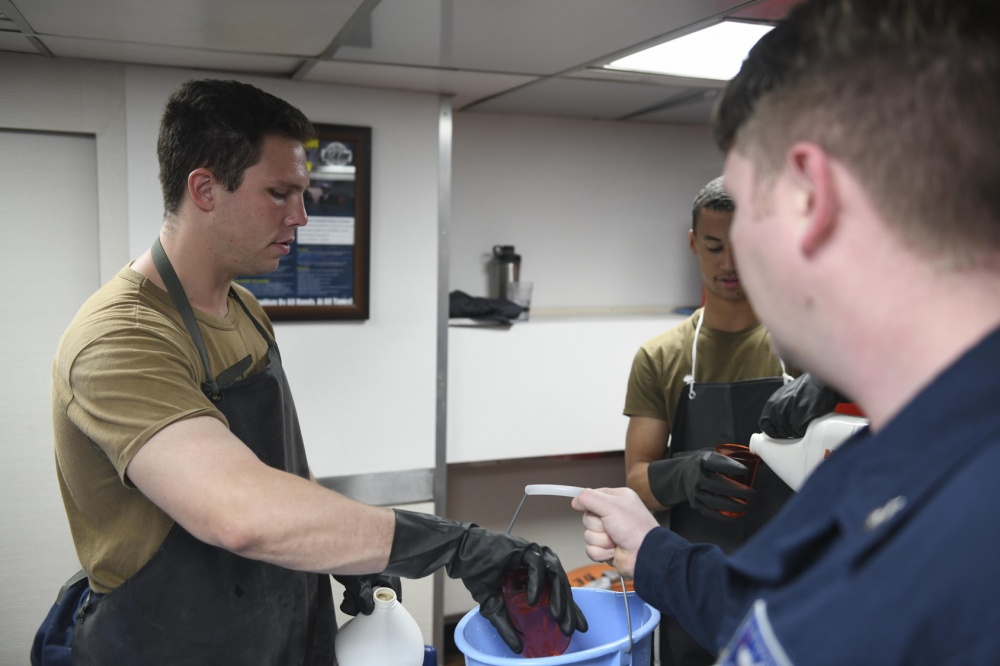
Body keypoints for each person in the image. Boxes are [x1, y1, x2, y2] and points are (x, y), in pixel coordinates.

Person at [33, 79, 586, 665]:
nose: (301, 214)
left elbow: (281, 475)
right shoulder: (124, 339)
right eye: (279, 192)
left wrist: (355, 555)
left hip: (278, 635)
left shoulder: (242, 307)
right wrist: (454, 545)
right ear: (204, 188)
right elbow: (240, 510)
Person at [573, 0, 1000, 663]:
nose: (735, 252)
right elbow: (784, 607)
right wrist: (653, 549)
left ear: (809, 198)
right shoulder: (895, 456)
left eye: (748, 209)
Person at [623, 177, 796, 664]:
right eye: (715, 246)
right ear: (694, 242)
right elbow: (636, 483)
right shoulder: (661, 357)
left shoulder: (803, 349)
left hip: (786, 573)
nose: (729, 264)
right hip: (690, 577)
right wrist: (686, 473)